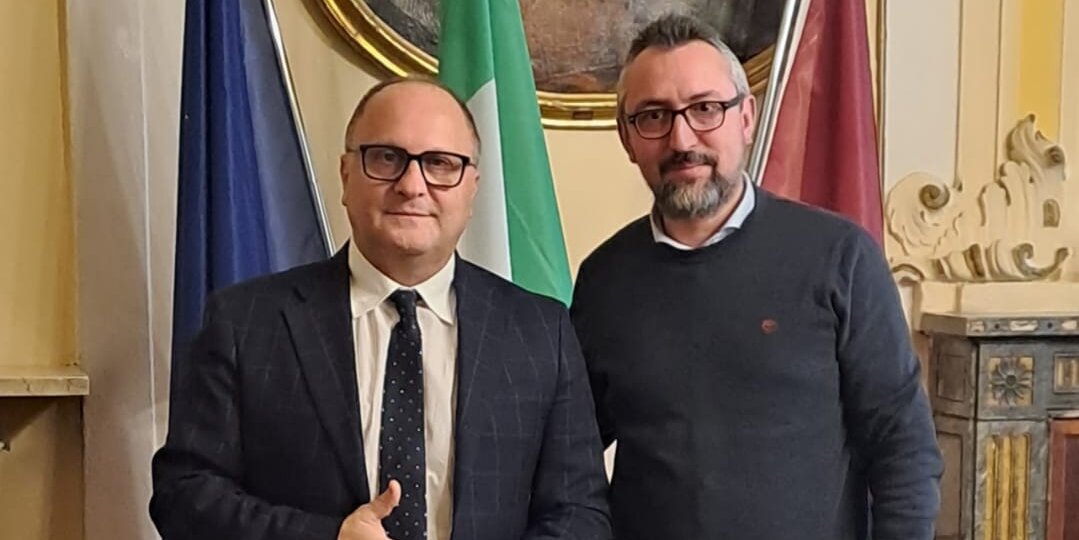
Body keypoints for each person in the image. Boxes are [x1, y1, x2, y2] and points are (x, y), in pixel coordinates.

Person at [151, 77, 611, 540]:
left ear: (472, 188)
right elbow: (184, 496)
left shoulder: (541, 332)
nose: (412, 185)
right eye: (387, 158)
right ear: (346, 175)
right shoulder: (246, 322)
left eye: (440, 163)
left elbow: (579, 514)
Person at [569, 14, 943, 540]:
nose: (682, 138)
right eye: (653, 116)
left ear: (746, 118)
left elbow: (903, 445)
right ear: (627, 138)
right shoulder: (604, 279)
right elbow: (571, 455)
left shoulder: (839, 256)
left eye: (705, 109)